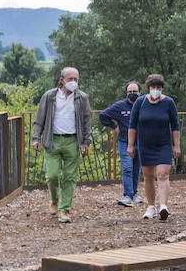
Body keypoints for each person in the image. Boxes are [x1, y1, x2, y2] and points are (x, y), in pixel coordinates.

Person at [31, 67, 92, 223]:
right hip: (52, 141)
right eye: (70, 79)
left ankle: (64, 209)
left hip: (73, 141)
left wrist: (86, 142)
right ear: (62, 80)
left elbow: (87, 121)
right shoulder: (49, 96)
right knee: (51, 176)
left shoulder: (82, 98)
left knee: (70, 177)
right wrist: (36, 138)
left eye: (76, 79)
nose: (73, 82)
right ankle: (54, 200)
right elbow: (40, 118)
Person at [127, 74, 180, 221]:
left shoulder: (168, 103)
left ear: (162, 88)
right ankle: (151, 206)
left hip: (163, 144)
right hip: (145, 144)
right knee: (148, 177)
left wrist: (177, 145)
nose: (155, 90)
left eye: (158, 87)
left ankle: (163, 205)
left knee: (162, 175)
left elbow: (175, 126)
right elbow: (132, 125)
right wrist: (131, 145)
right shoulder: (140, 102)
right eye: (153, 87)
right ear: (148, 88)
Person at [97, 81, 143, 207]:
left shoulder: (144, 104)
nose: (132, 94)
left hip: (141, 142)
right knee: (127, 168)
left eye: (135, 92)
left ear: (140, 92)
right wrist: (114, 126)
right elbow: (103, 116)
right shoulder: (120, 106)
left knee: (136, 169)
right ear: (126, 93)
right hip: (124, 141)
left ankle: (134, 194)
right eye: (130, 92)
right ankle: (127, 195)